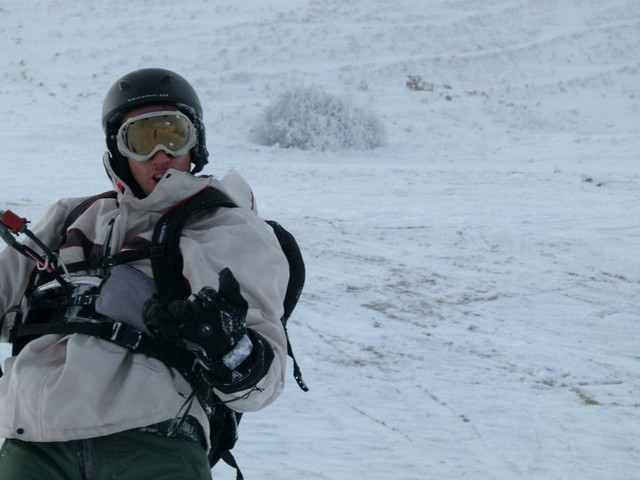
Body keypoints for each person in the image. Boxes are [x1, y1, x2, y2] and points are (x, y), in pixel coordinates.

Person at [0, 68, 290, 479]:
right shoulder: (72, 217)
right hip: (34, 440)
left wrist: (224, 346)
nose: (160, 155)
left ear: (195, 143)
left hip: (153, 438)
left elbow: (261, 385)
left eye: (174, 135)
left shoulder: (223, 227)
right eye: (141, 139)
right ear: (118, 150)